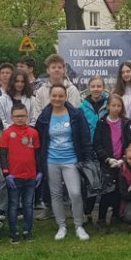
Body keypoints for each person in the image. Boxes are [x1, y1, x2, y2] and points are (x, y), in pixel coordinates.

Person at [36, 83, 93, 241]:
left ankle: (78, 225)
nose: (57, 98)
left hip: (71, 160)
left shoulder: (76, 114)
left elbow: (85, 137)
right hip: (51, 161)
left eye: (61, 96)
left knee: (75, 193)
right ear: (50, 96)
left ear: (66, 97)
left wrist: (86, 158)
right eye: (54, 95)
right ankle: (61, 226)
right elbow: (39, 141)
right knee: (56, 195)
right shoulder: (44, 117)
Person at [93, 93, 131, 230]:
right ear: (108, 107)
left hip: (121, 163)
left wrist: (124, 159)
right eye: (113, 105)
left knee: (119, 190)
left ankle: (117, 215)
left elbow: (130, 143)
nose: (116, 108)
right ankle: (101, 218)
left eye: (118, 106)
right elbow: (97, 144)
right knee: (106, 191)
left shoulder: (125, 123)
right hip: (107, 163)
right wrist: (107, 159)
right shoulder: (102, 123)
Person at [0, 103, 41, 244]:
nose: (20, 119)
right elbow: (3, 155)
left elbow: (37, 153)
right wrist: (6, 173)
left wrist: (40, 171)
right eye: (17, 116)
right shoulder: (7, 134)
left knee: (28, 205)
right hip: (14, 176)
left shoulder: (33, 133)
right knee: (13, 205)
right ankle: (14, 232)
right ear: (12, 117)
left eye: (22, 116)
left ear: (27, 116)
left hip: (30, 176)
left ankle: (28, 231)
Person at [79, 75, 109, 140]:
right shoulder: (82, 107)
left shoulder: (109, 106)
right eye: (93, 86)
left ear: (103, 87)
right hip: (88, 145)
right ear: (89, 88)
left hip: (105, 145)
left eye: (99, 86)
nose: (96, 89)